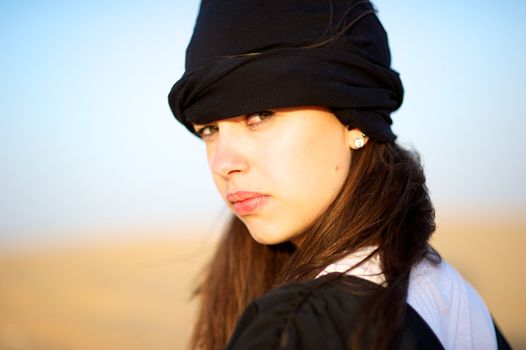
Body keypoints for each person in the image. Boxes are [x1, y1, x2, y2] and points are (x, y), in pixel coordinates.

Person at [168, 1, 511, 349]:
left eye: (259, 114)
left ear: (353, 120)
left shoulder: (302, 329)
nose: (223, 163)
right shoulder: (445, 290)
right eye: (209, 129)